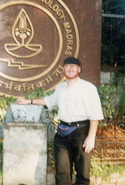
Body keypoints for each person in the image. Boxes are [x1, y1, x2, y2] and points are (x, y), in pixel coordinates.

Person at [16, 57, 104, 185]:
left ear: (79, 69)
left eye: (73, 67)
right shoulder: (60, 88)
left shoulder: (88, 88)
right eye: (67, 66)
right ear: (63, 69)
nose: (70, 69)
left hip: (81, 131)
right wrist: (28, 101)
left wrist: (91, 137)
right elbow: (49, 101)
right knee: (62, 172)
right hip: (62, 133)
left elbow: (95, 113)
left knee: (82, 171)